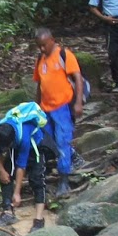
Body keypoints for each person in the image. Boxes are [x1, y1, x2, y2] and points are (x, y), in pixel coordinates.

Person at [32, 26, 84, 197]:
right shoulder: (40, 58)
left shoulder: (64, 55)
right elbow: (40, 83)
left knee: (62, 141)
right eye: (39, 46)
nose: (42, 49)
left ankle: (64, 181)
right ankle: (72, 156)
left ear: (52, 40)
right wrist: (36, 106)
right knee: (48, 141)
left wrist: (78, 103)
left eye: (44, 45)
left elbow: (77, 78)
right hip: (46, 108)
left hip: (62, 106)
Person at [0, 103, 55, 230]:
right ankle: (8, 212)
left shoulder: (23, 136)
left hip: (36, 145)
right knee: (6, 173)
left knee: (37, 179)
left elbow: (21, 166)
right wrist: (1, 170)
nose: (4, 149)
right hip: (16, 145)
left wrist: (17, 193)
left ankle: (39, 219)